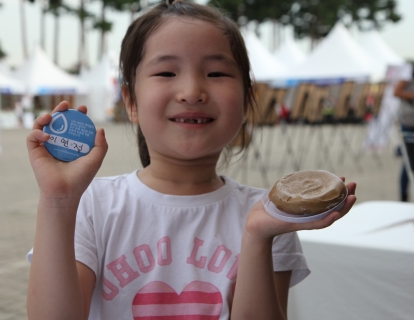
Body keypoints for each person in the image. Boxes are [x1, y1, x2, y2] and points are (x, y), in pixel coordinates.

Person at [25, 1, 357, 319]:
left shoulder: (268, 216)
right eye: (167, 72)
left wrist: (257, 236)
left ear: (246, 101)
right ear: (131, 101)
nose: (192, 90)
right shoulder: (92, 206)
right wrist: (58, 201)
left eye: (215, 73)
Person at [394, 64, 414, 202]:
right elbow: (397, 92)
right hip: (409, 124)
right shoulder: (409, 73)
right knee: (408, 163)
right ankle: (403, 197)